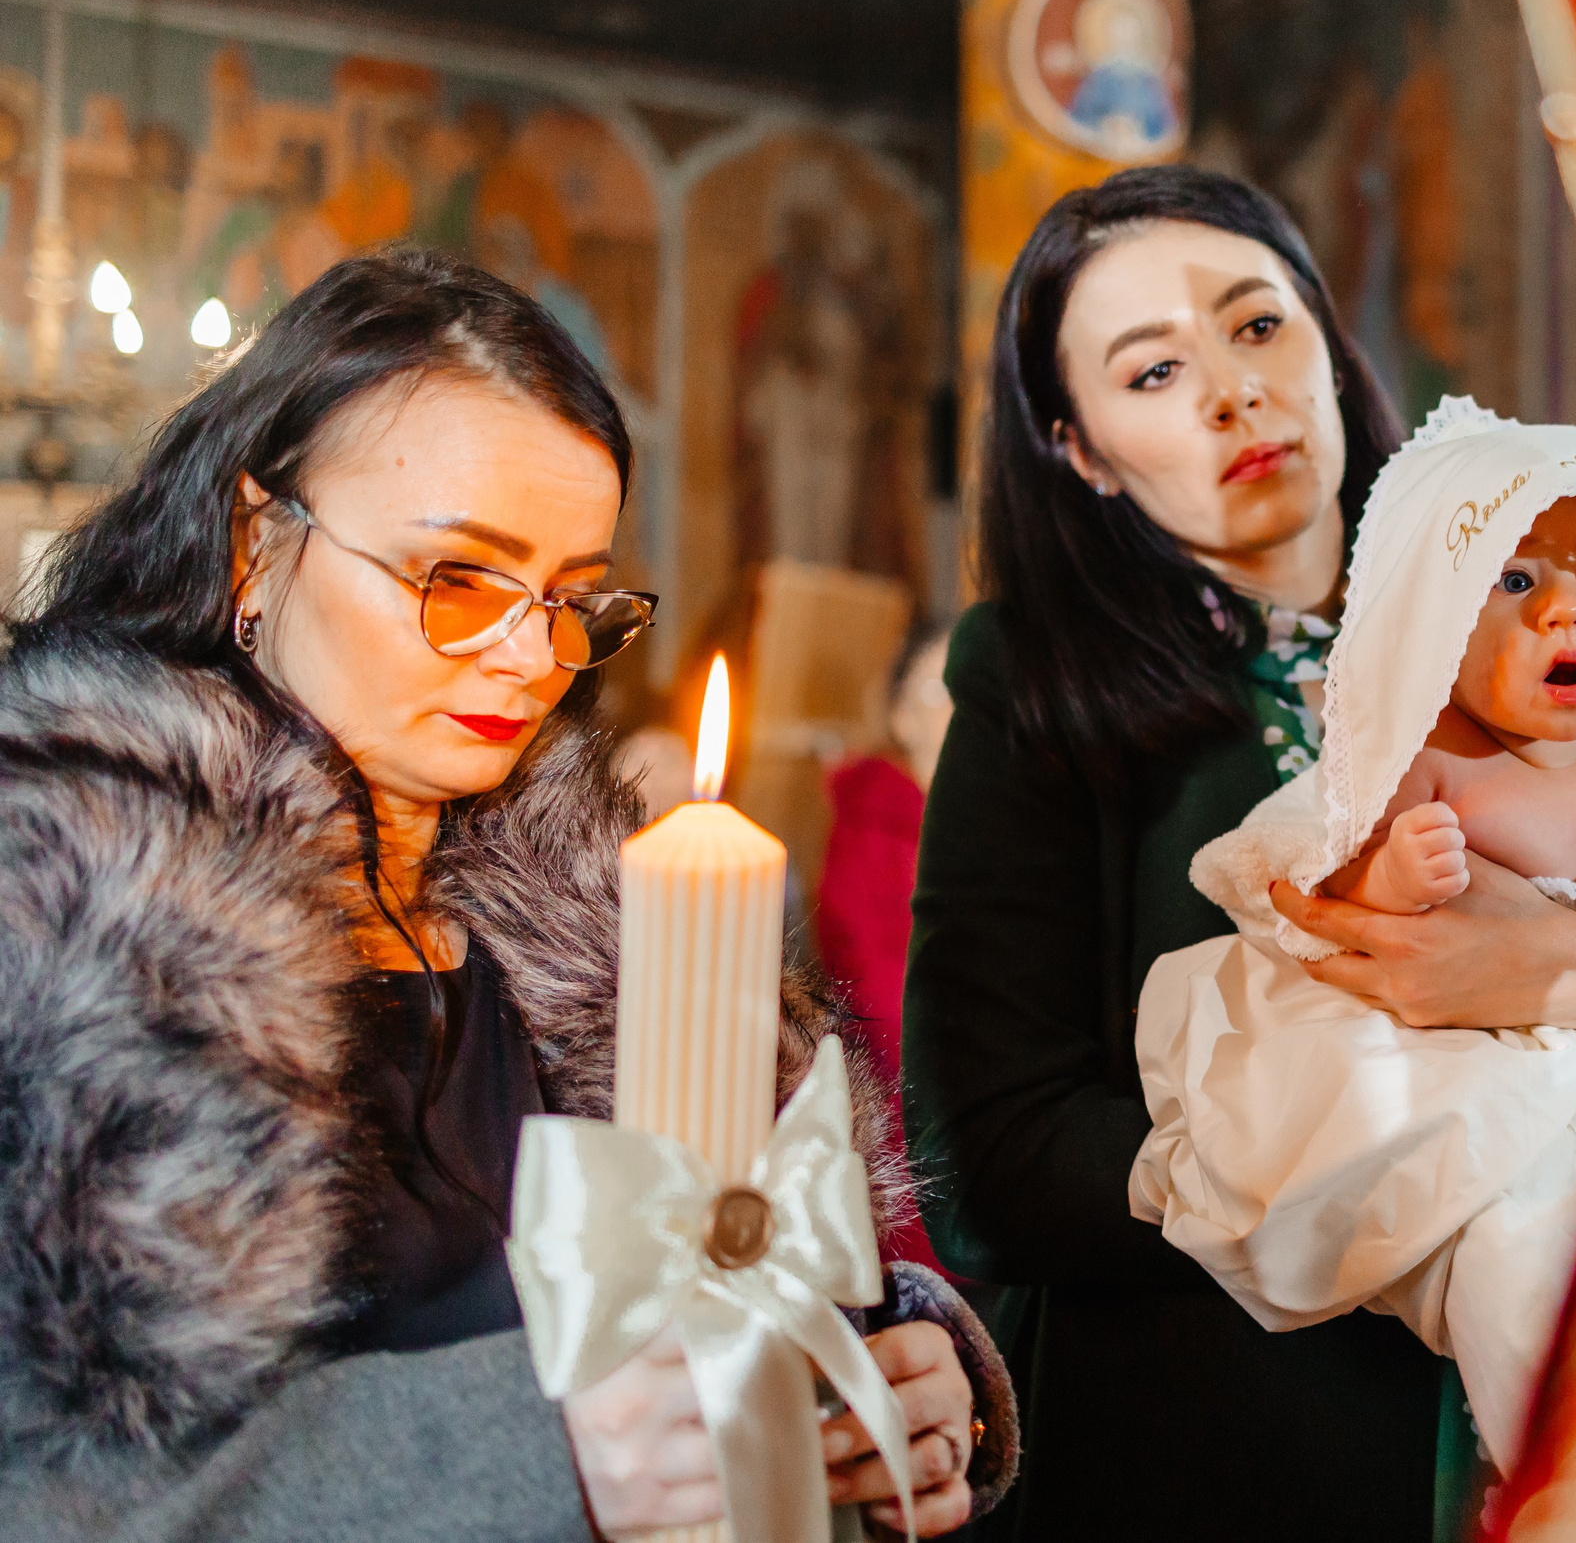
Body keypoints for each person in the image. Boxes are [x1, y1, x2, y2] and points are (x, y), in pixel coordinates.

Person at [0, 251, 1014, 1541]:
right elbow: (46, 1493)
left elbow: (743, 1276)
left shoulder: (604, 923)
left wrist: (883, 1368)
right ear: (259, 545)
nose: (532, 660)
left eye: (572, 598)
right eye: (459, 581)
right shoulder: (54, 928)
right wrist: (543, 1455)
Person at [904, 165, 1576, 1541]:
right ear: (1078, 446)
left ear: (1325, 334)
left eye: (1258, 327)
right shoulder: (1035, 683)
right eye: (1152, 372)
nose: (1231, 394)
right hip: (1239, 1442)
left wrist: (1574, 969)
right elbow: (989, 1152)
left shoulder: (1564, 598)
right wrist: (1328, 1171)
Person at [1132, 404, 1576, 1469]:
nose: (1566, 617)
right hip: (1475, 1064)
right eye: (1514, 583)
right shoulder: (1430, 751)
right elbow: (1335, 874)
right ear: (1434, 618)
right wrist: (1400, 867)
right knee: (1516, 1260)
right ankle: (1564, 1477)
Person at [816, 624, 956, 1277]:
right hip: (920, 1120)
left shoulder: (1009, 822)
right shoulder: (871, 822)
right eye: (937, 686)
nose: (958, 702)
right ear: (900, 712)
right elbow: (879, 993)